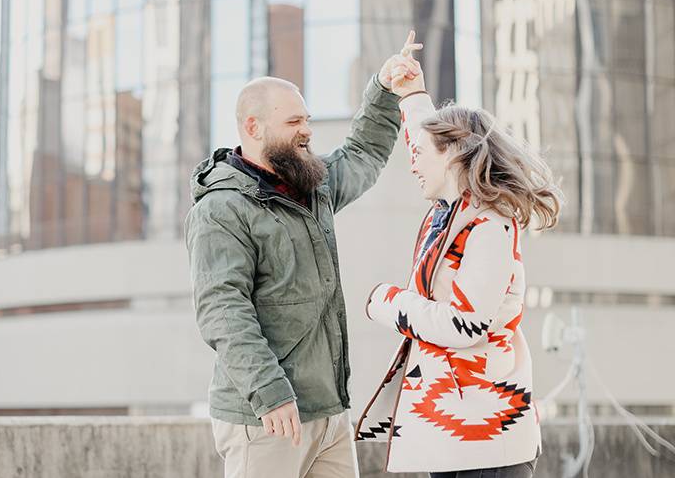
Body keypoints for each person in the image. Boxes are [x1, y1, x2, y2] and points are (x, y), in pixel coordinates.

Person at [184, 32, 423, 478]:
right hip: (266, 417)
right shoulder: (220, 210)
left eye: (307, 119)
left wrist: (384, 90)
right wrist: (269, 391)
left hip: (329, 411)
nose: (307, 131)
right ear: (253, 128)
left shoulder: (313, 185)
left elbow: (364, 152)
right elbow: (222, 311)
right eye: (294, 122)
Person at [355, 37, 563, 477]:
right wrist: (411, 93)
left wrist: (388, 302)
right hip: (461, 438)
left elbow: (463, 325)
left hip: (484, 447)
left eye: (419, 155)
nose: (412, 163)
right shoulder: (454, 213)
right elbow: (427, 136)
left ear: (453, 154)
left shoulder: (489, 225)